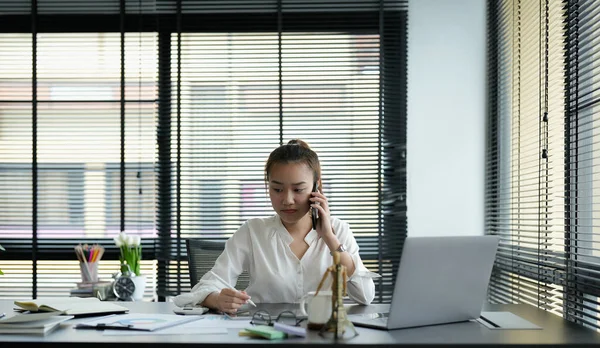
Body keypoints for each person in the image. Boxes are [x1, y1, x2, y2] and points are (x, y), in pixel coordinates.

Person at [174, 139, 376, 314]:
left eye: (298, 189)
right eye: (277, 189)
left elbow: (365, 296)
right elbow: (206, 286)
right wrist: (216, 299)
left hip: (323, 335)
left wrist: (331, 240)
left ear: (316, 187)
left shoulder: (339, 230)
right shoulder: (253, 232)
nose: (287, 200)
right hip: (265, 334)